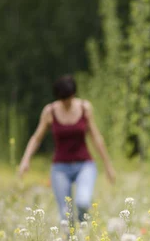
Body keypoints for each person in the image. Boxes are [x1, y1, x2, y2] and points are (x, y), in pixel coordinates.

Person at [18, 75, 116, 224]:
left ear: (74, 94)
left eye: (69, 98)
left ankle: (85, 231)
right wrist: (26, 160)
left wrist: (108, 166)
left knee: (83, 202)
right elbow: (36, 138)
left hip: (85, 165)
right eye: (63, 99)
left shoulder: (85, 108)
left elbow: (96, 138)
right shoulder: (49, 112)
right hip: (60, 168)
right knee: (66, 213)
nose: (67, 103)